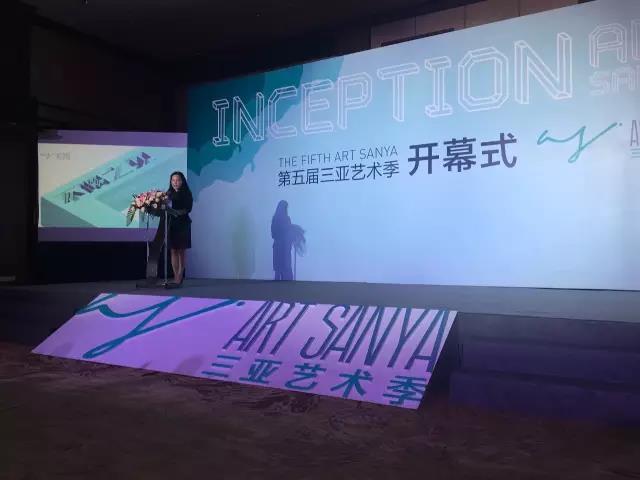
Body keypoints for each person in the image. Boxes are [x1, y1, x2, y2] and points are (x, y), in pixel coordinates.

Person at [166, 171, 192, 285]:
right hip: (171, 225)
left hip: (183, 224)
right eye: (173, 180)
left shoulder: (187, 193)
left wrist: (176, 212)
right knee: (173, 250)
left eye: (178, 180)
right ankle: (175, 275)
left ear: (182, 181)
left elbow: (188, 209)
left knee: (181, 250)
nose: (175, 182)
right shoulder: (168, 194)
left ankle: (180, 275)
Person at [271, 200, 293, 280]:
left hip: (280, 247)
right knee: (284, 269)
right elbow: (274, 234)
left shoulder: (275, 218)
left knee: (279, 270)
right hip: (283, 247)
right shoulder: (286, 219)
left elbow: (273, 234)